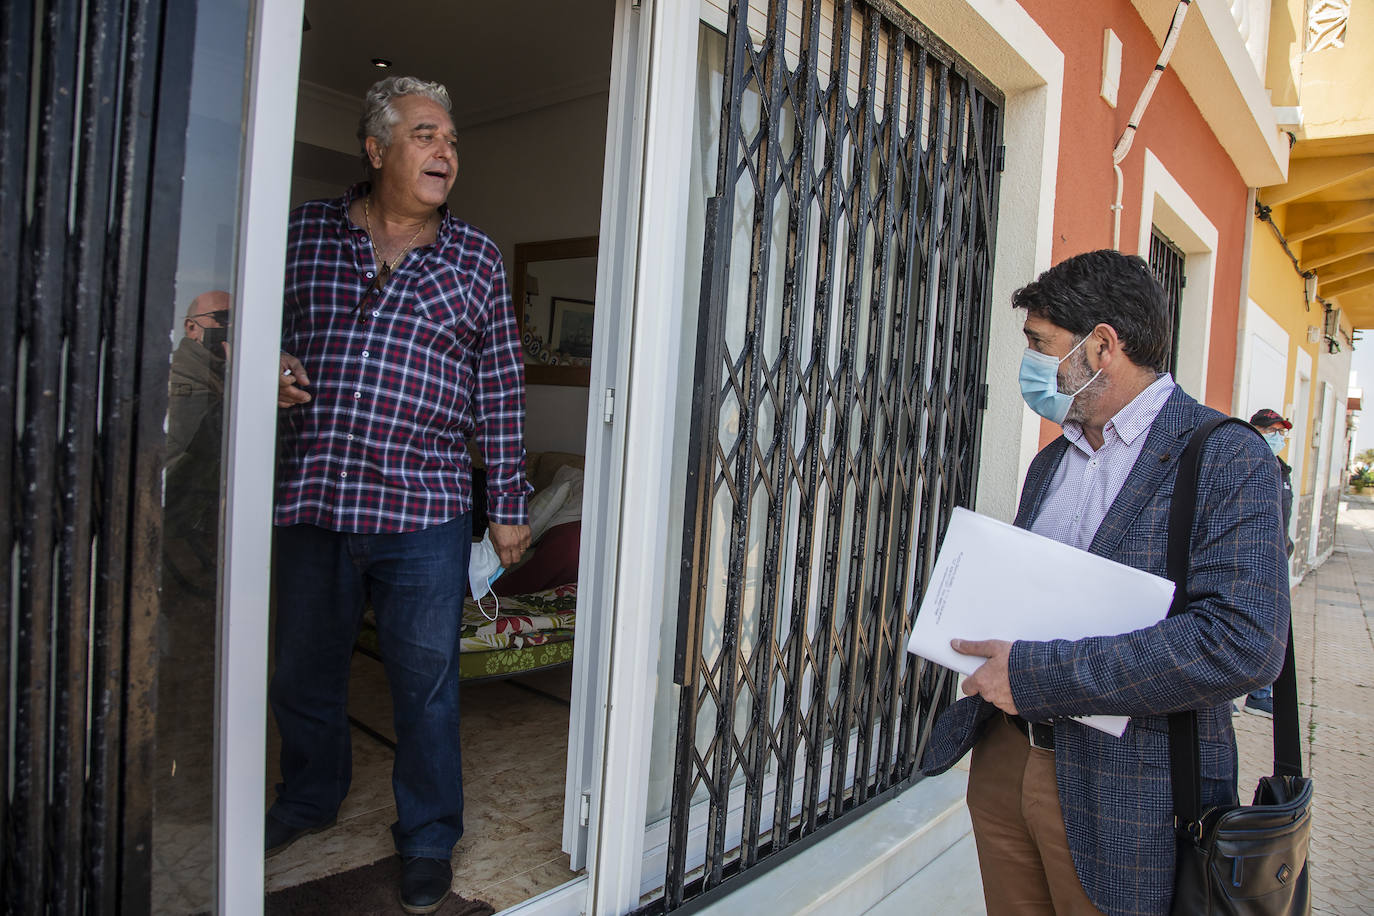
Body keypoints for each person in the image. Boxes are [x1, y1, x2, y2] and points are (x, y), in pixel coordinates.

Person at [921, 250, 1290, 916]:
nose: (1031, 366)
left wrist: (1039, 676)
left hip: (1126, 793)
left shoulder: (1225, 455)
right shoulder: (1053, 460)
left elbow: (1242, 642)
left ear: (1103, 346)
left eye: (1041, 346)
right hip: (1005, 760)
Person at [268, 76, 531, 915]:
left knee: (425, 686)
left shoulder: (476, 257)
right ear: (376, 150)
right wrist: (264, 367)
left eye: (452, 140)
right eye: (426, 135)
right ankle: (309, 799)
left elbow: (500, 385)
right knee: (304, 673)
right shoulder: (302, 231)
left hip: (425, 511)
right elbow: (247, 323)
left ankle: (426, 837)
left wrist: (511, 503)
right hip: (312, 496)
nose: (446, 152)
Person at [1240, 407, 1295, 718]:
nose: (1278, 437)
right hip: (1252, 558)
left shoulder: (1280, 468)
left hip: (1276, 557)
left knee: (1273, 628)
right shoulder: (1247, 464)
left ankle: (1260, 694)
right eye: (1272, 431)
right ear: (1255, 430)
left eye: (1281, 432)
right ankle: (1247, 696)